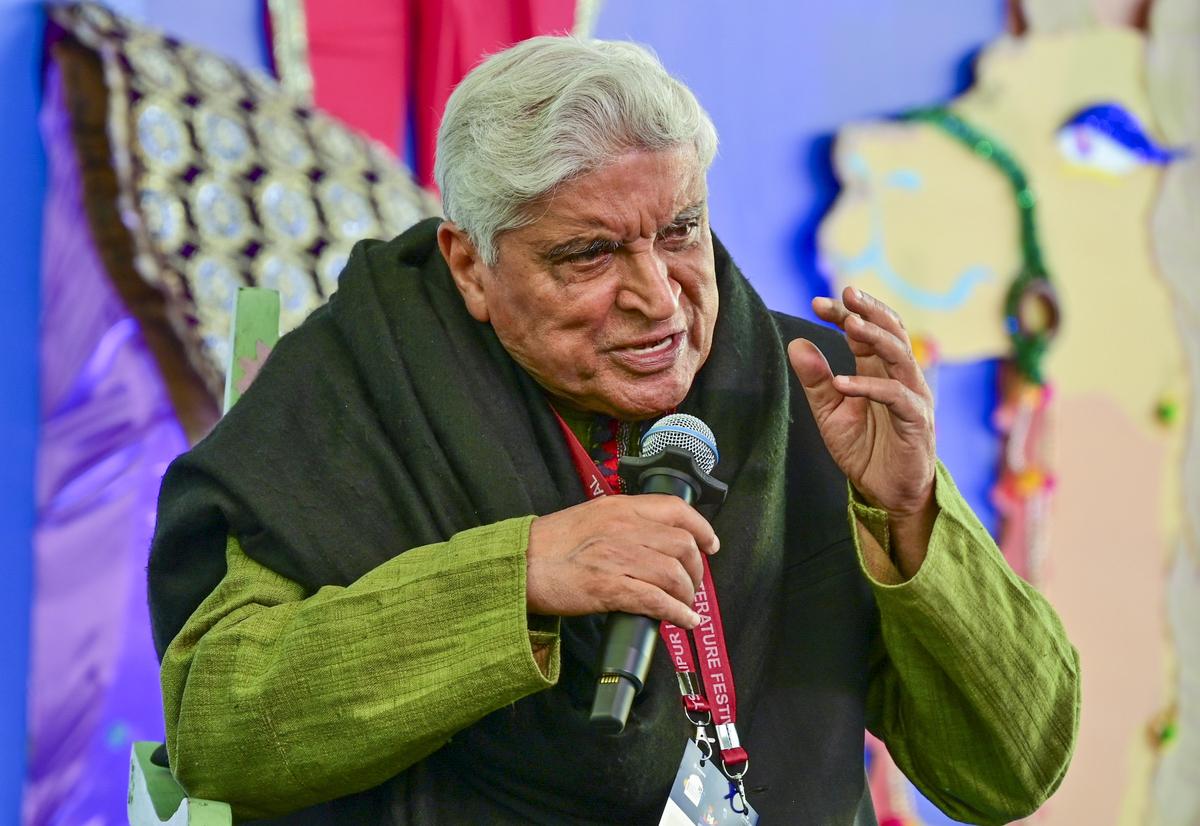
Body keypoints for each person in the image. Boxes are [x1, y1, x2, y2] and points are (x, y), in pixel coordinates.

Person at [148, 37, 1080, 825]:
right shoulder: (361, 390)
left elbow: (1010, 771)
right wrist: (518, 577)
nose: (658, 298)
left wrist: (910, 516)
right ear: (470, 265)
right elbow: (217, 728)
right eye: (590, 254)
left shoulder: (817, 395)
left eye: (680, 232)